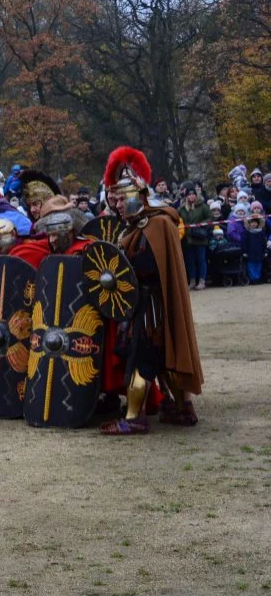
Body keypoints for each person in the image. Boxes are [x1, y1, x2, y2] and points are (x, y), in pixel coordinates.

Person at [99, 147, 204, 436]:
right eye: (115, 199)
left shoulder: (156, 222)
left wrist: (121, 263)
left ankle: (134, 418)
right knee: (160, 359)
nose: (117, 205)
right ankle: (181, 408)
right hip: (144, 304)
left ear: (138, 196)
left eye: (122, 199)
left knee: (142, 360)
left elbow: (148, 267)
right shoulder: (139, 225)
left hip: (151, 306)